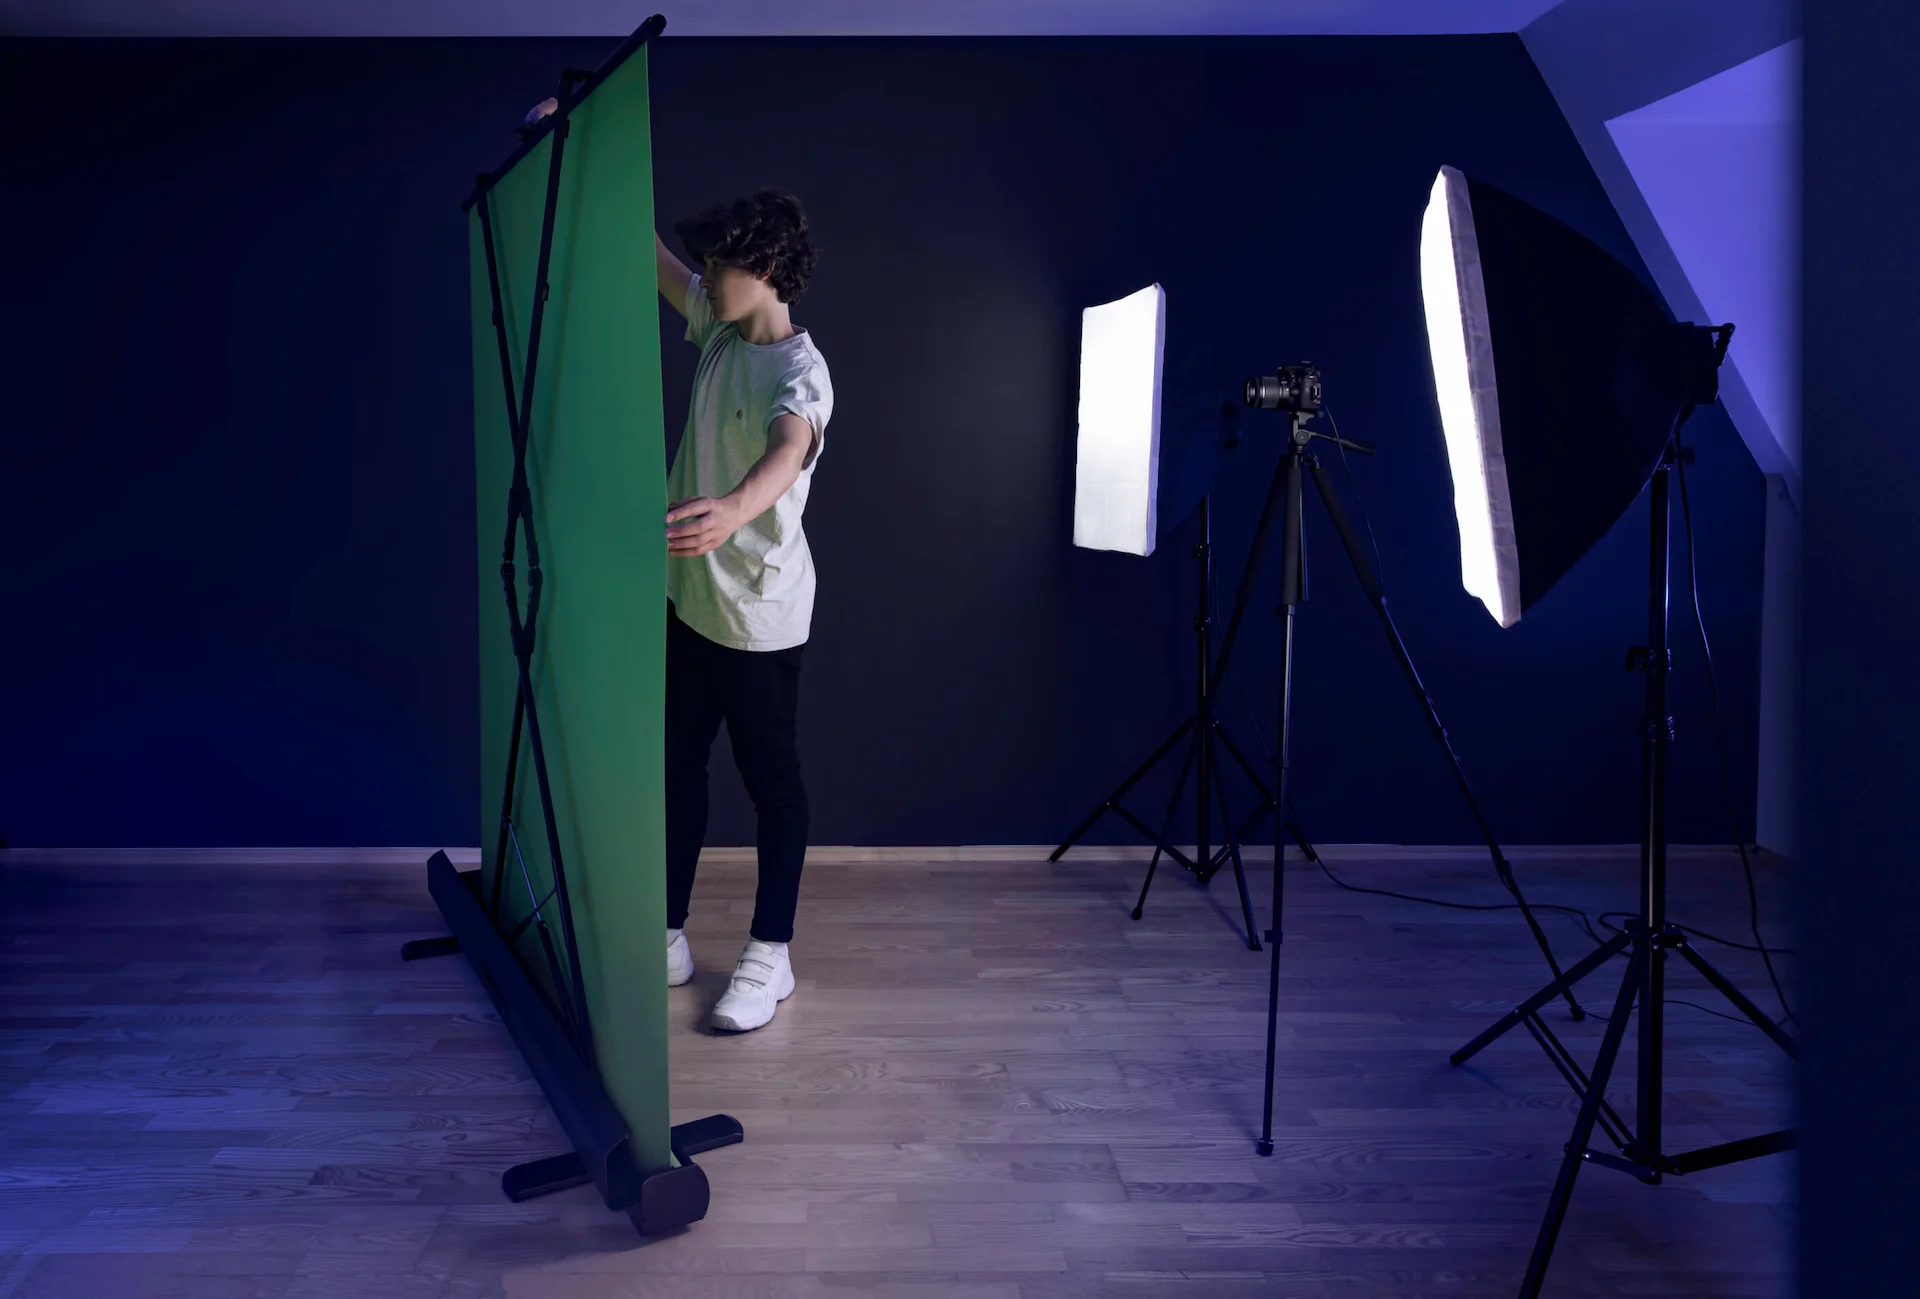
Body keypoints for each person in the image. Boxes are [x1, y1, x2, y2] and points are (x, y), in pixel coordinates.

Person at [652, 188, 832, 1033]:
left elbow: (789, 449)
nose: (705, 278)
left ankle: (771, 953)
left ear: (760, 268)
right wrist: (568, 149)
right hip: (689, 601)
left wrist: (732, 507)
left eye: (718, 265)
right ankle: (666, 933)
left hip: (761, 618)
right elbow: (648, 255)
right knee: (676, 767)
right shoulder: (718, 329)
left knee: (771, 782)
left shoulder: (801, 373)